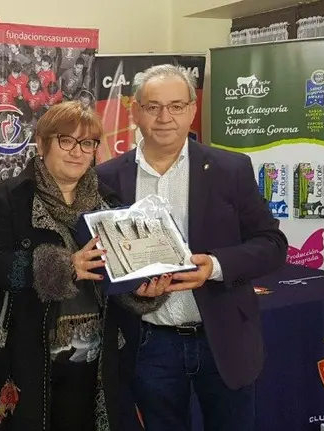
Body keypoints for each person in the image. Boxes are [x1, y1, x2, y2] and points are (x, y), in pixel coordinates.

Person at [96, 64, 288, 431]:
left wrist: (214, 266)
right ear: (134, 111)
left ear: (192, 109)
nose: (165, 117)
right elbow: (103, 256)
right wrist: (130, 285)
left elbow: (273, 244)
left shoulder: (230, 169)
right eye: (152, 107)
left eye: (176, 106)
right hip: (149, 344)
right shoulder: (107, 177)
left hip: (222, 339)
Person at [0, 101, 164, 431]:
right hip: (28, 354)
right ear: (43, 142)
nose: (77, 152)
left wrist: (143, 291)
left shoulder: (110, 202)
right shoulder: (11, 197)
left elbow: (116, 278)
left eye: (87, 143)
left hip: (96, 358)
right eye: (66, 140)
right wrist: (61, 268)